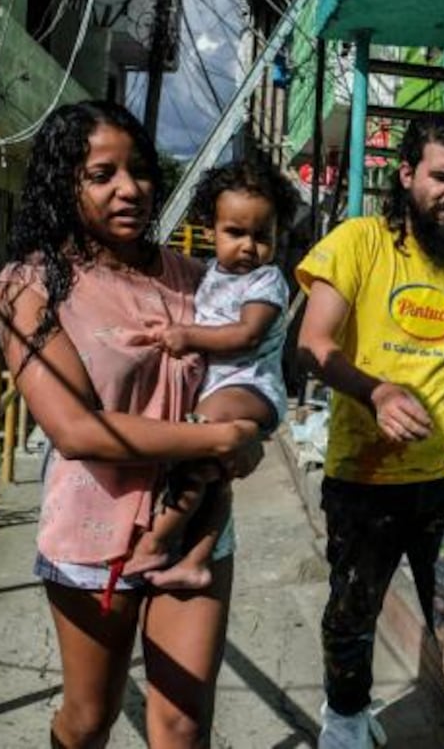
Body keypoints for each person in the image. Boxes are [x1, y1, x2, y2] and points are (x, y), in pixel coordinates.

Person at [0, 100, 262, 748]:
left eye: (139, 170)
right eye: (102, 174)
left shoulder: (199, 280)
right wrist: (218, 438)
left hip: (194, 524)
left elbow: (251, 372)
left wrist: (248, 424)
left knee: (182, 724)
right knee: (90, 718)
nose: (129, 188)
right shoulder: (29, 287)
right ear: (66, 183)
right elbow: (78, 430)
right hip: (93, 534)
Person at [296, 112, 444, 749]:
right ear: (407, 175)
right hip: (366, 479)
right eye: (442, 177)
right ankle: (345, 718)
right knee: (352, 613)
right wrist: (376, 391)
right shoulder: (358, 243)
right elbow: (312, 343)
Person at [124, 159, 295, 590]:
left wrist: (188, 337)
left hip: (250, 385)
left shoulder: (267, 280)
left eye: (262, 236)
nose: (248, 247)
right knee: (211, 475)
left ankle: (158, 540)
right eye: (235, 233)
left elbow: (247, 335)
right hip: (223, 385)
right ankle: (197, 560)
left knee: (191, 443)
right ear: (211, 229)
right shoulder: (209, 274)